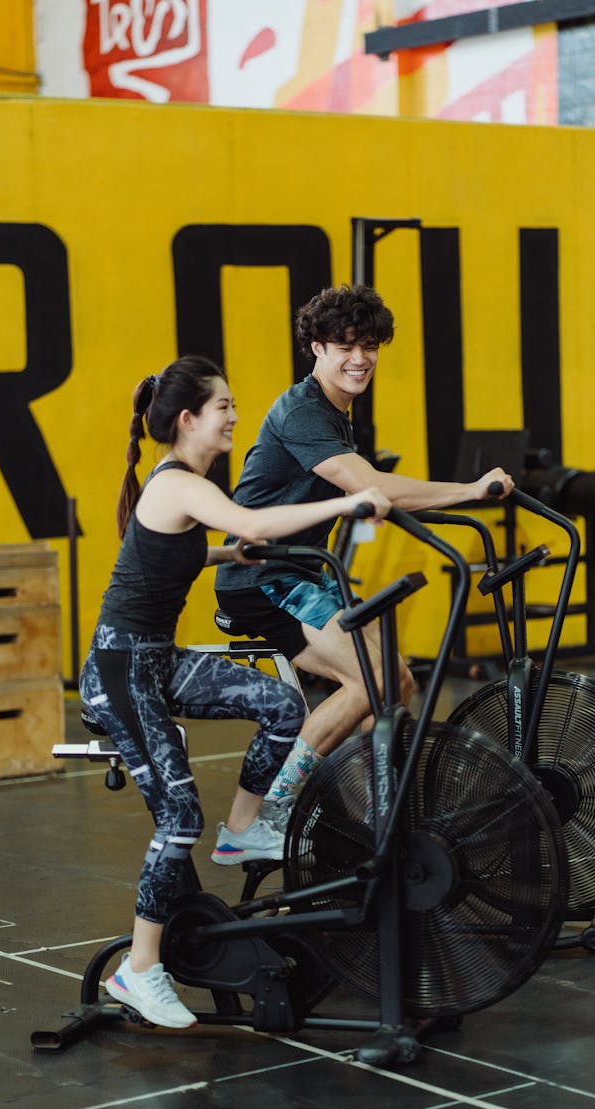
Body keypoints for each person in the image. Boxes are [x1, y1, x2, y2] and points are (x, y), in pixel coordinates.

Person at [79, 354, 390, 1030]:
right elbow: (248, 521)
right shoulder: (177, 483)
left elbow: (210, 542)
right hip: (119, 671)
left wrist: (229, 558)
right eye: (224, 407)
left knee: (282, 706)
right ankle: (139, 968)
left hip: (156, 661)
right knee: (178, 818)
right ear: (189, 418)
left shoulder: (184, 487)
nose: (234, 417)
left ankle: (244, 831)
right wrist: (346, 499)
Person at [215, 284, 514, 822]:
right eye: (345, 346)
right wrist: (470, 491)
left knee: (397, 682)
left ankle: (362, 815)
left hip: (303, 574)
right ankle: (263, 817)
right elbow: (371, 489)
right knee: (371, 683)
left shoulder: (335, 411)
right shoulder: (303, 412)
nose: (359, 359)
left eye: (369, 346)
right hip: (262, 580)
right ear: (318, 349)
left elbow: (371, 492)